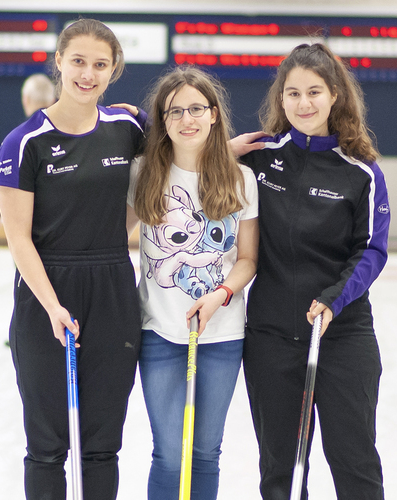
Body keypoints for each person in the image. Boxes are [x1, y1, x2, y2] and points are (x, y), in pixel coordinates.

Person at [0, 19, 146, 500]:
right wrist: (53, 305)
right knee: (47, 445)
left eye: (101, 64)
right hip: (46, 293)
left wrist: (228, 151)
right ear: (58, 61)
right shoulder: (23, 143)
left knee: (102, 445)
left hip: (112, 289)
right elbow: (18, 240)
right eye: (78, 61)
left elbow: (181, 164)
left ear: (114, 70)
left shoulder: (129, 127)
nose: (88, 73)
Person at [231, 43, 391, 500]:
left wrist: (334, 299)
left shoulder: (361, 171)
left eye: (314, 92)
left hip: (341, 334)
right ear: (280, 99)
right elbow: (184, 163)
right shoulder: (259, 158)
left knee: (354, 459)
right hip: (271, 335)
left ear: (336, 95)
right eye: (293, 93)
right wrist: (223, 150)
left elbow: (372, 250)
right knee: (280, 470)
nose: (304, 104)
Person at [127, 66, 258, 499]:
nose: (188, 119)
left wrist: (220, 295)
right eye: (175, 111)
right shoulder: (143, 173)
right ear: (162, 122)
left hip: (221, 335)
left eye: (197, 108)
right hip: (160, 333)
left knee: (204, 452)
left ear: (215, 114)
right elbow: (108, 235)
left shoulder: (242, 180)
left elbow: (247, 259)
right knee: (167, 452)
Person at [0, 73, 57, 223]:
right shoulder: (65, 134)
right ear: (52, 101)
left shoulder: (19, 139)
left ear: (26, 99)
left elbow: (8, 180)